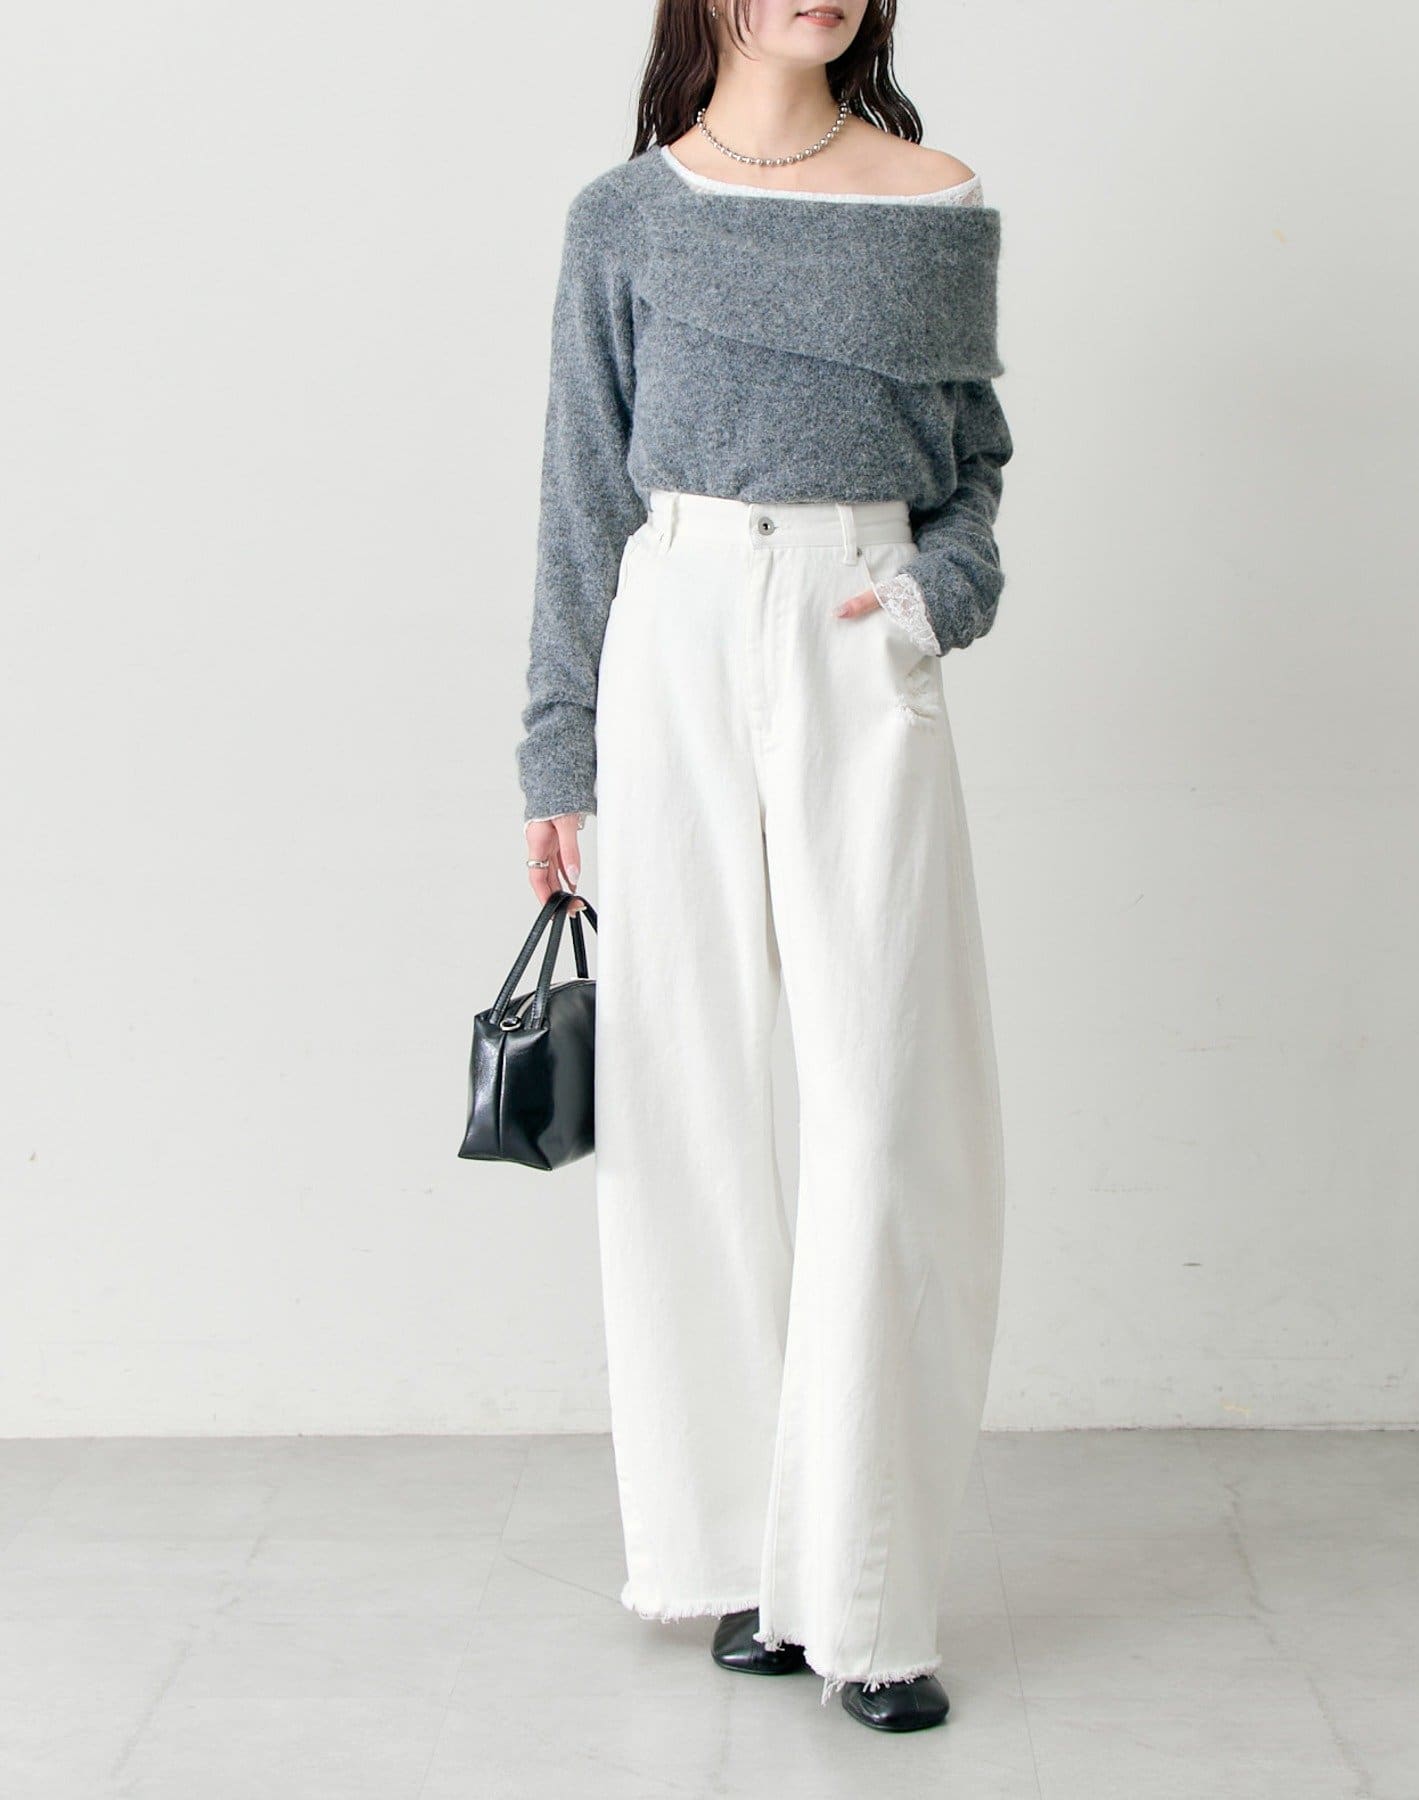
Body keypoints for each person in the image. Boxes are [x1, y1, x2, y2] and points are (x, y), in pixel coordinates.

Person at [513, 0, 1011, 1734]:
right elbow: (582, 490)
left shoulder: (935, 202)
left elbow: (977, 477)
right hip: (677, 620)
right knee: (687, 1099)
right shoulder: (624, 216)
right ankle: (737, 1555)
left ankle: (864, 1595)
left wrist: (931, 601)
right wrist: (558, 750)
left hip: (856, 627)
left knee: (888, 1105)